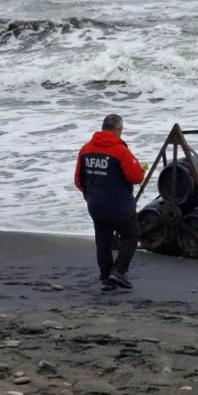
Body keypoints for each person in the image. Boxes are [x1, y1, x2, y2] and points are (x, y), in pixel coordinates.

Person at [75, 114, 145, 291]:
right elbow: (135, 177)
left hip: (96, 205)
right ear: (118, 130)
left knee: (103, 241)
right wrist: (140, 168)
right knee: (131, 235)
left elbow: (78, 179)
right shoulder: (120, 150)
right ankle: (118, 271)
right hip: (120, 205)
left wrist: (89, 196)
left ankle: (106, 278)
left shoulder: (85, 149)